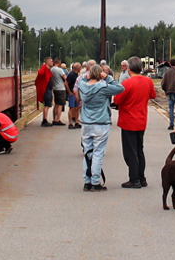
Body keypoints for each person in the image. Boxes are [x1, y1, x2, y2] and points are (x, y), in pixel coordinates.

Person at [77, 63, 125, 191]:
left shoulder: (83, 85)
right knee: (98, 153)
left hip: (86, 123)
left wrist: (85, 77)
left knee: (88, 152)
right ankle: (96, 182)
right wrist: (108, 77)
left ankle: (87, 181)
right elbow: (120, 88)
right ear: (100, 75)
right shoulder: (103, 87)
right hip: (101, 123)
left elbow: (80, 82)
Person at [113, 56, 157, 188]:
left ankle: (134, 179)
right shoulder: (148, 81)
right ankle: (141, 177)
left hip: (128, 120)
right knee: (139, 150)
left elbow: (117, 100)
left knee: (130, 151)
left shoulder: (127, 83)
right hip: (141, 120)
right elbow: (153, 95)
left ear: (129, 68)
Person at [161, 58, 175, 131]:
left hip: (169, 92)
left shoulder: (166, 73)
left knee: (171, 108)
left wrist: (166, 91)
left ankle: (171, 124)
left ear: (170, 64)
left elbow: (163, 84)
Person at [35, 57, 53, 127]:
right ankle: (44, 120)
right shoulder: (44, 68)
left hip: (48, 89)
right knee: (47, 105)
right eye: (51, 61)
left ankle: (45, 119)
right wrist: (43, 66)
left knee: (48, 105)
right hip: (46, 90)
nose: (52, 62)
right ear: (48, 62)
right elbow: (40, 73)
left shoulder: (48, 69)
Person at [50, 58, 68, 126]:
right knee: (60, 105)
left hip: (55, 88)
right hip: (61, 88)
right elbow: (65, 78)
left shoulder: (52, 69)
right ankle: (58, 119)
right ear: (59, 63)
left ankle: (54, 118)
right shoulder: (59, 70)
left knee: (56, 104)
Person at [66, 62, 83, 129]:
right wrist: (69, 92)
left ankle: (76, 122)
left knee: (77, 107)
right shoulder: (71, 74)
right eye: (80, 67)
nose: (80, 69)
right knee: (72, 108)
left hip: (76, 93)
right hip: (72, 93)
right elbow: (66, 83)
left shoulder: (76, 74)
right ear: (77, 68)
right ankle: (70, 122)